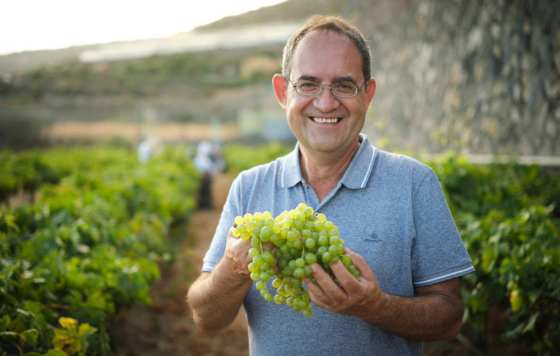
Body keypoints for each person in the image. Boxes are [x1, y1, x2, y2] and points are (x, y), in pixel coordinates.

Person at [187, 15, 474, 355]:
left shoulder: (414, 183)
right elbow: (206, 318)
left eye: (344, 85)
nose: (325, 103)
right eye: (307, 84)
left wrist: (375, 306)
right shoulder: (249, 186)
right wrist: (233, 269)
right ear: (282, 92)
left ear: (368, 94)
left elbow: (450, 317)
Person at [193, 140, 224, 209]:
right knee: (204, 192)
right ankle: (204, 205)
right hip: (203, 178)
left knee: (205, 192)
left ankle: (205, 205)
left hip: (205, 178)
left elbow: (213, 169)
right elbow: (214, 169)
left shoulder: (201, 159)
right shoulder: (201, 159)